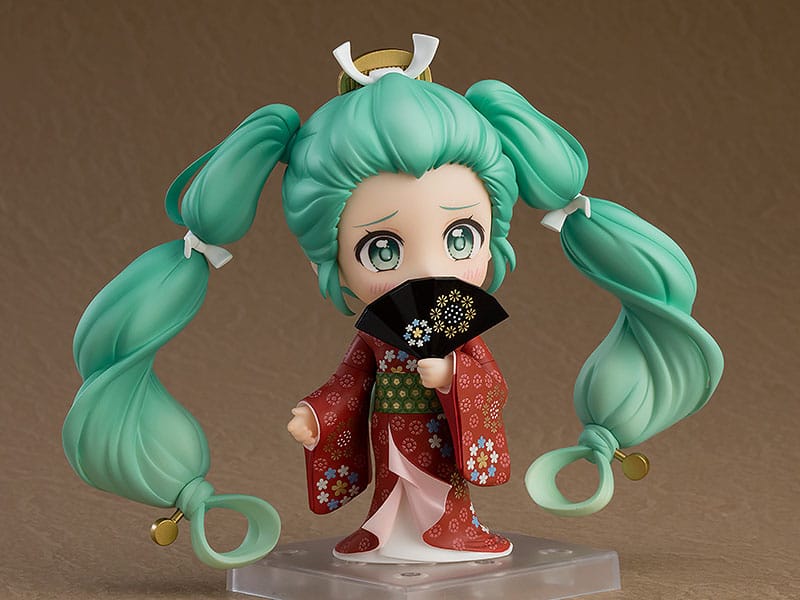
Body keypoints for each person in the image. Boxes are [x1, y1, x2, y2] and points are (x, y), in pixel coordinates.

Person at [63, 34, 723, 569]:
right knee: (394, 491)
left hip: (440, 430)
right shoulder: (378, 333)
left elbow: (489, 383)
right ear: (332, 264)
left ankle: (454, 531)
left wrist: (452, 373)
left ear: (495, 238)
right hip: (388, 431)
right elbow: (351, 381)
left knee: (439, 489)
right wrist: (318, 414)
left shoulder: (458, 325)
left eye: (460, 237)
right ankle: (384, 534)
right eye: (382, 249)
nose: (431, 269)